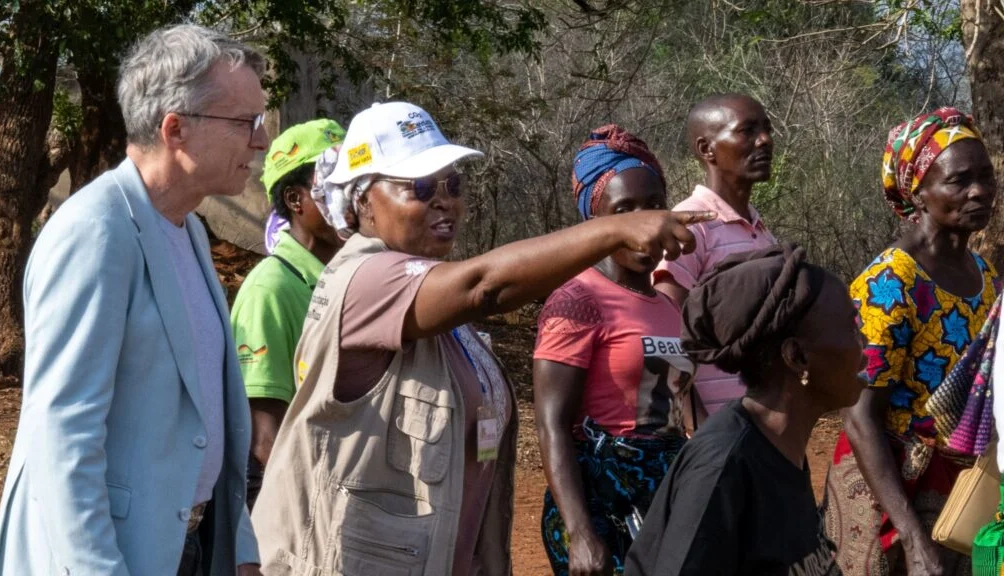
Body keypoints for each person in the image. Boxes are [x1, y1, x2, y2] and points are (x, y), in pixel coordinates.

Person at [250, 101, 715, 576]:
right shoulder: (365, 278)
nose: (444, 199)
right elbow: (485, 287)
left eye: (453, 184)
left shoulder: (442, 313)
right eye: (421, 187)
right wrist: (613, 230)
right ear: (362, 201)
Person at [0, 25, 267, 576]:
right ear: (175, 129)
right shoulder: (95, 232)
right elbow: (63, 434)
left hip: (185, 548)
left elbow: (203, 413)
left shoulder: (184, 227)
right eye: (245, 122)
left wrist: (239, 543)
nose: (260, 140)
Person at [822, 107, 998, 576]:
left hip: (960, 491)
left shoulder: (984, 275)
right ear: (917, 192)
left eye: (985, 175)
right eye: (959, 180)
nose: (979, 190)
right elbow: (859, 416)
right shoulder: (890, 283)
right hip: (894, 492)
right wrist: (912, 537)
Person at [626, 244, 863, 575]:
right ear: (796, 357)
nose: (864, 343)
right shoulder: (723, 467)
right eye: (852, 328)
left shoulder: (781, 445)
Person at [533, 125, 695, 576]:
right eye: (624, 210)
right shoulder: (577, 300)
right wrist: (580, 532)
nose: (643, 222)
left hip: (663, 495)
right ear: (595, 223)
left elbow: (675, 406)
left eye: (654, 205)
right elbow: (551, 424)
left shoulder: (667, 305)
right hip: (604, 503)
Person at [229, 118, 345, 510]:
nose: (352, 197)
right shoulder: (271, 289)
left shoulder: (349, 276)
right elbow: (265, 438)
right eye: (333, 186)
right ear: (296, 201)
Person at [653, 93, 778, 417]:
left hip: (767, 429)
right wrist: (699, 427)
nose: (764, 140)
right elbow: (666, 333)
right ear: (707, 149)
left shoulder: (760, 231)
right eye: (747, 131)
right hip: (721, 432)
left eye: (766, 129)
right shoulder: (691, 226)